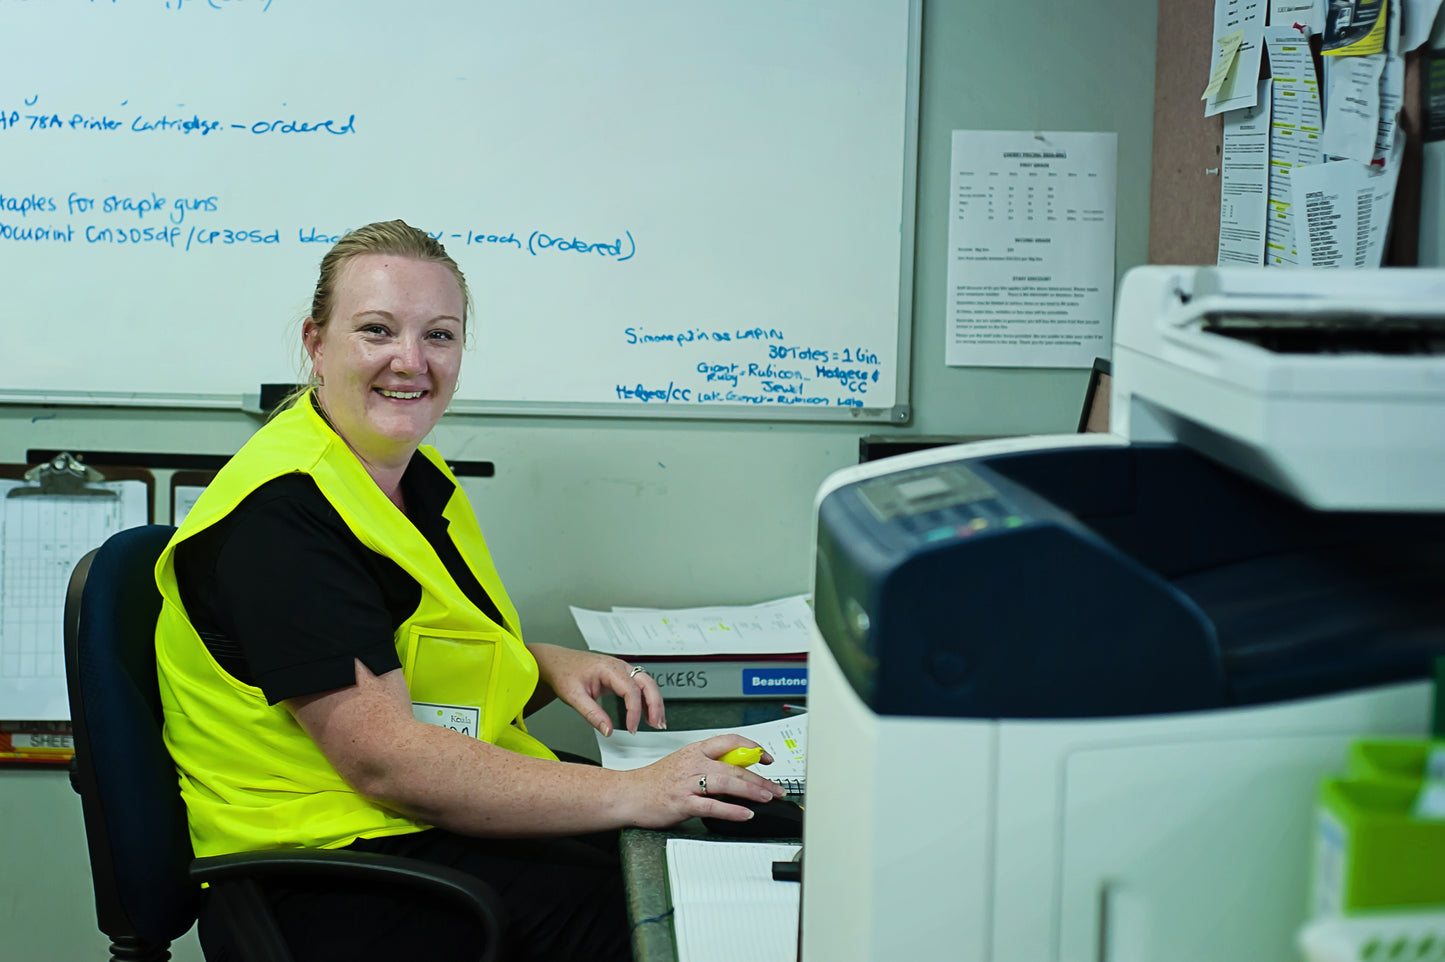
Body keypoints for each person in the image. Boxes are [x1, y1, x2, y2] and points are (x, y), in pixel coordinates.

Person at [153, 219, 784, 962]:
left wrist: (543, 663)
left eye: (440, 336)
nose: (410, 362)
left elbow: (404, 650)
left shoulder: (409, 479)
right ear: (316, 344)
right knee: (685, 917)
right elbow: (384, 758)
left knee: (753, 833)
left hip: (410, 830)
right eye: (377, 330)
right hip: (336, 876)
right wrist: (639, 790)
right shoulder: (284, 520)